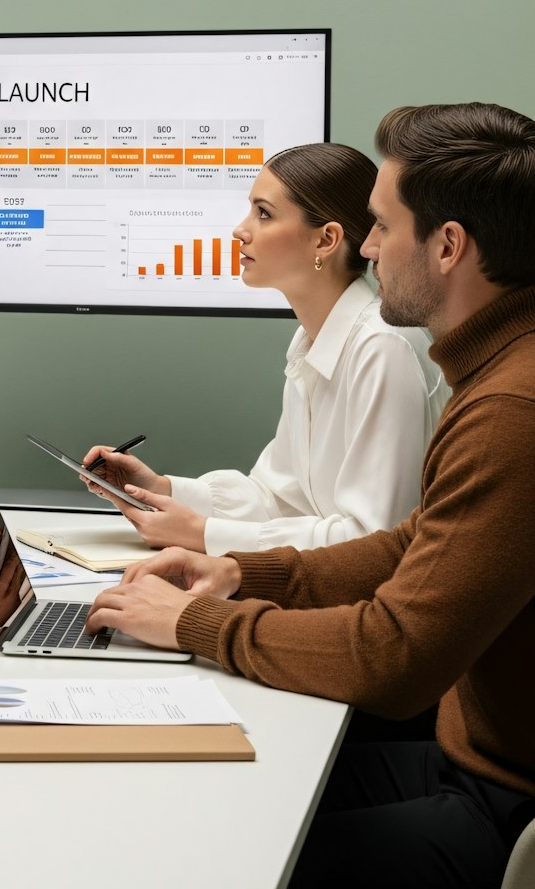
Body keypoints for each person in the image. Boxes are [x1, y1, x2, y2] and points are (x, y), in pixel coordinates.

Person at [85, 103, 535, 887]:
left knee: (216, 856)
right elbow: (409, 541)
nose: (367, 248)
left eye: (383, 229)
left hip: (503, 802)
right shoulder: (496, 374)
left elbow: (395, 656)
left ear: (449, 247)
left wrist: (202, 622)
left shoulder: (509, 409)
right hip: (470, 761)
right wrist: (242, 575)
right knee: (212, 804)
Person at [82, 142, 447, 554]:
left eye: (264, 213)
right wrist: (160, 489)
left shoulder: (383, 348)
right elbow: (278, 498)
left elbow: (372, 542)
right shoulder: (315, 340)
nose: (241, 229)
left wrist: (201, 534)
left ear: (325, 240)